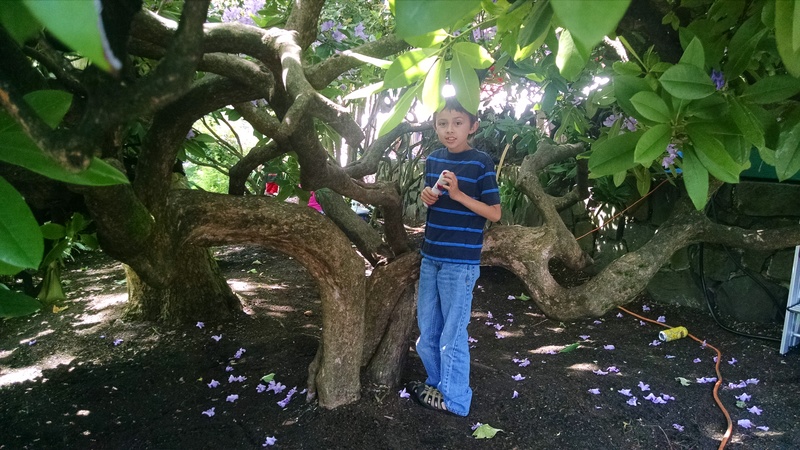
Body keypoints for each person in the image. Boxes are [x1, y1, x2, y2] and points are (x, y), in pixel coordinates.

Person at [408, 98, 501, 417]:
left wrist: (459, 194)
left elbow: (495, 213)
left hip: (459, 263)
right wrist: (428, 198)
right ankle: (438, 384)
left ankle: (456, 400)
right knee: (427, 332)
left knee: (451, 335)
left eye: (458, 122)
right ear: (434, 125)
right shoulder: (433, 159)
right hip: (430, 255)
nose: (450, 129)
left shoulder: (481, 162)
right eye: (443, 122)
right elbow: (432, 203)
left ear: (472, 126)